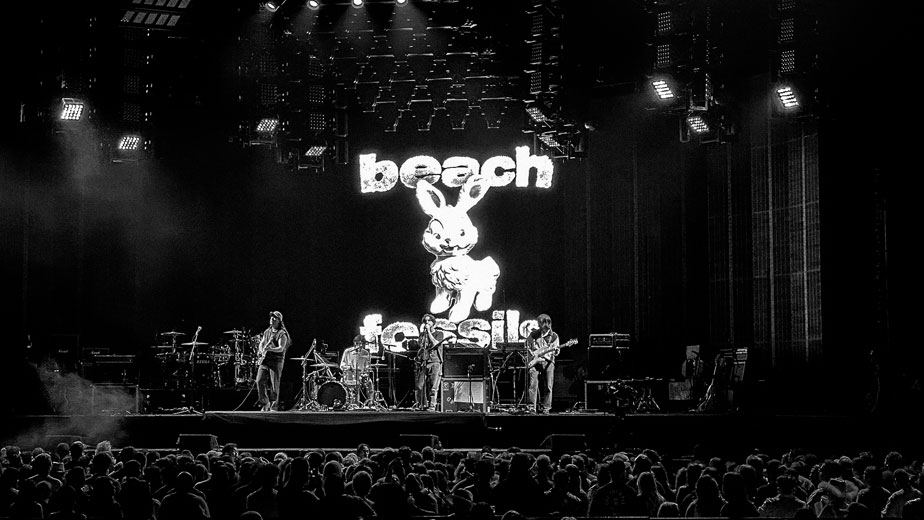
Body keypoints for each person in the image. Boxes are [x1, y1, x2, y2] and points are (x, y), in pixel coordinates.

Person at [256, 310, 291, 411]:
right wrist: (261, 350)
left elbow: (281, 348)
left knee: (274, 384)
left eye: (274, 317)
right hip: (265, 360)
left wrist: (270, 349)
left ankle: (274, 406)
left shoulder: (282, 334)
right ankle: (265, 403)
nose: (272, 319)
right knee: (259, 381)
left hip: (276, 361)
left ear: (279, 321)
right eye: (271, 317)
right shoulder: (267, 331)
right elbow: (262, 343)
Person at [525, 313, 559, 414]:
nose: (541, 327)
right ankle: (532, 408)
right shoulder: (534, 334)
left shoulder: (554, 336)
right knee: (532, 385)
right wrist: (532, 354)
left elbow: (556, 351)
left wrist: (556, 351)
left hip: (548, 362)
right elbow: (526, 345)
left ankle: (546, 408)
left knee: (548, 386)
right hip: (535, 362)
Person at [415, 313, 445, 411]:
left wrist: (429, 332)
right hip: (424, 362)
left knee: (433, 386)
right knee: (420, 385)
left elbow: (436, 344)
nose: (427, 322)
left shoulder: (439, 333)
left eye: (429, 321)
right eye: (425, 321)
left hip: (435, 361)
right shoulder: (422, 335)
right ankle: (422, 404)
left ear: (433, 323)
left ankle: (432, 406)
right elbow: (420, 346)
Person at [340, 335, 373, 406]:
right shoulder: (347, 352)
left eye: (362, 344)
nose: (360, 346)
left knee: (370, 382)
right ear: (355, 343)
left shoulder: (366, 353)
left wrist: (366, 372)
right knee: (352, 384)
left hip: (361, 375)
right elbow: (342, 365)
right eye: (358, 343)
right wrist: (348, 367)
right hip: (350, 374)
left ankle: (371, 402)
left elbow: (367, 366)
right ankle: (351, 404)